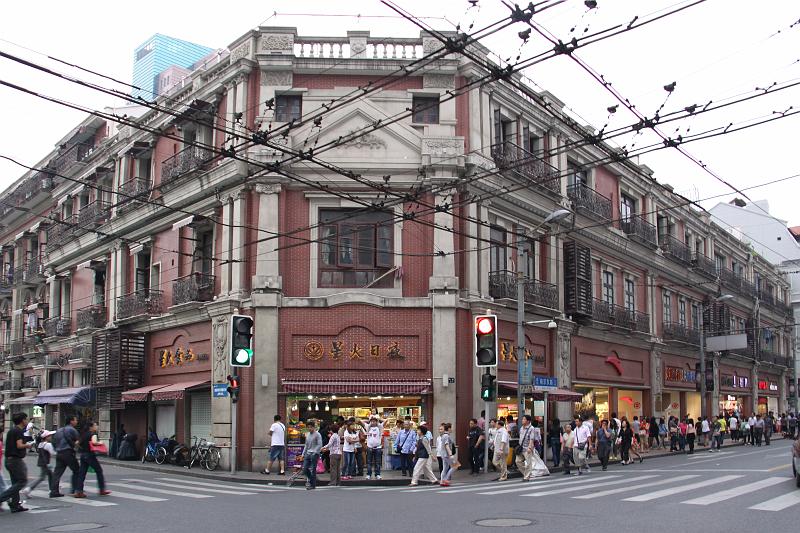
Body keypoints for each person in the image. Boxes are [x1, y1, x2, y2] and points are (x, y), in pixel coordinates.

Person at [0, 412, 32, 512]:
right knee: (22, 481)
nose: (27, 421)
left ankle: (15, 505)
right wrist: (28, 445)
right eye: (26, 419)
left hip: (9, 460)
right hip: (15, 460)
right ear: (23, 420)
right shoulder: (18, 431)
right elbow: (19, 445)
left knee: (15, 482)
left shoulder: (11, 430)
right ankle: (2, 498)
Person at [73, 420, 110, 498]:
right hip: (90, 455)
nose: (97, 427)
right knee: (99, 470)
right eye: (96, 425)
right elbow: (94, 442)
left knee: (82, 473)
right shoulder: (93, 434)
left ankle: (79, 491)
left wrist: (82, 448)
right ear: (91, 427)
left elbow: (76, 443)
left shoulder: (83, 434)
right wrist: (100, 443)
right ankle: (102, 489)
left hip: (83, 455)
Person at [50, 415, 80, 498]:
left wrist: (57, 449)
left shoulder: (58, 430)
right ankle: (75, 489)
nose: (76, 421)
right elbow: (77, 442)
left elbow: (53, 442)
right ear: (71, 421)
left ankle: (54, 491)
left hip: (59, 453)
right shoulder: (72, 430)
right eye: (75, 420)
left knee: (57, 473)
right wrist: (76, 449)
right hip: (68, 452)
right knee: (77, 470)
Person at [22, 429, 56, 497]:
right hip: (46, 463)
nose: (51, 437)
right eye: (49, 436)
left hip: (41, 462)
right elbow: (54, 453)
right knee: (41, 477)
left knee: (51, 475)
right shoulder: (48, 444)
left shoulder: (40, 444)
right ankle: (28, 489)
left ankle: (52, 489)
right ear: (46, 437)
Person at [300, 421, 322, 490]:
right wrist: (303, 454)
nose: (309, 428)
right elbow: (306, 445)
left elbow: (320, 444)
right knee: (305, 469)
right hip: (308, 454)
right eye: (308, 427)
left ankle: (312, 485)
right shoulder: (307, 434)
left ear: (314, 427)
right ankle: (312, 480)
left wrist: (315, 452)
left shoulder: (317, 434)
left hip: (314, 454)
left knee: (313, 469)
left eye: (311, 427)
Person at [363, 416, 384, 480]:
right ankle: (368, 474)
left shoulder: (379, 427)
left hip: (378, 447)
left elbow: (386, 420)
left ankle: (377, 474)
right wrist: (368, 421)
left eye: (374, 421)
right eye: (372, 421)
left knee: (377, 462)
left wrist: (378, 419)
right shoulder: (368, 427)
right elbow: (360, 421)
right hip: (369, 447)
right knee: (369, 462)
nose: (373, 422)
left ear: (376, 421)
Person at [515, 415, 535, 481]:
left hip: (527, 448)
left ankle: (526, 476)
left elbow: (532, 439)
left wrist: (530, 447)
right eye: (522, 419)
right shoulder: (521, 428)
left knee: (529, 463)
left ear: (528, 421)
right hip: (521, 448)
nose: (522, 420)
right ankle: (527, 473)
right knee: (517, 461)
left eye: (524, 419)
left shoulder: (531, 428)